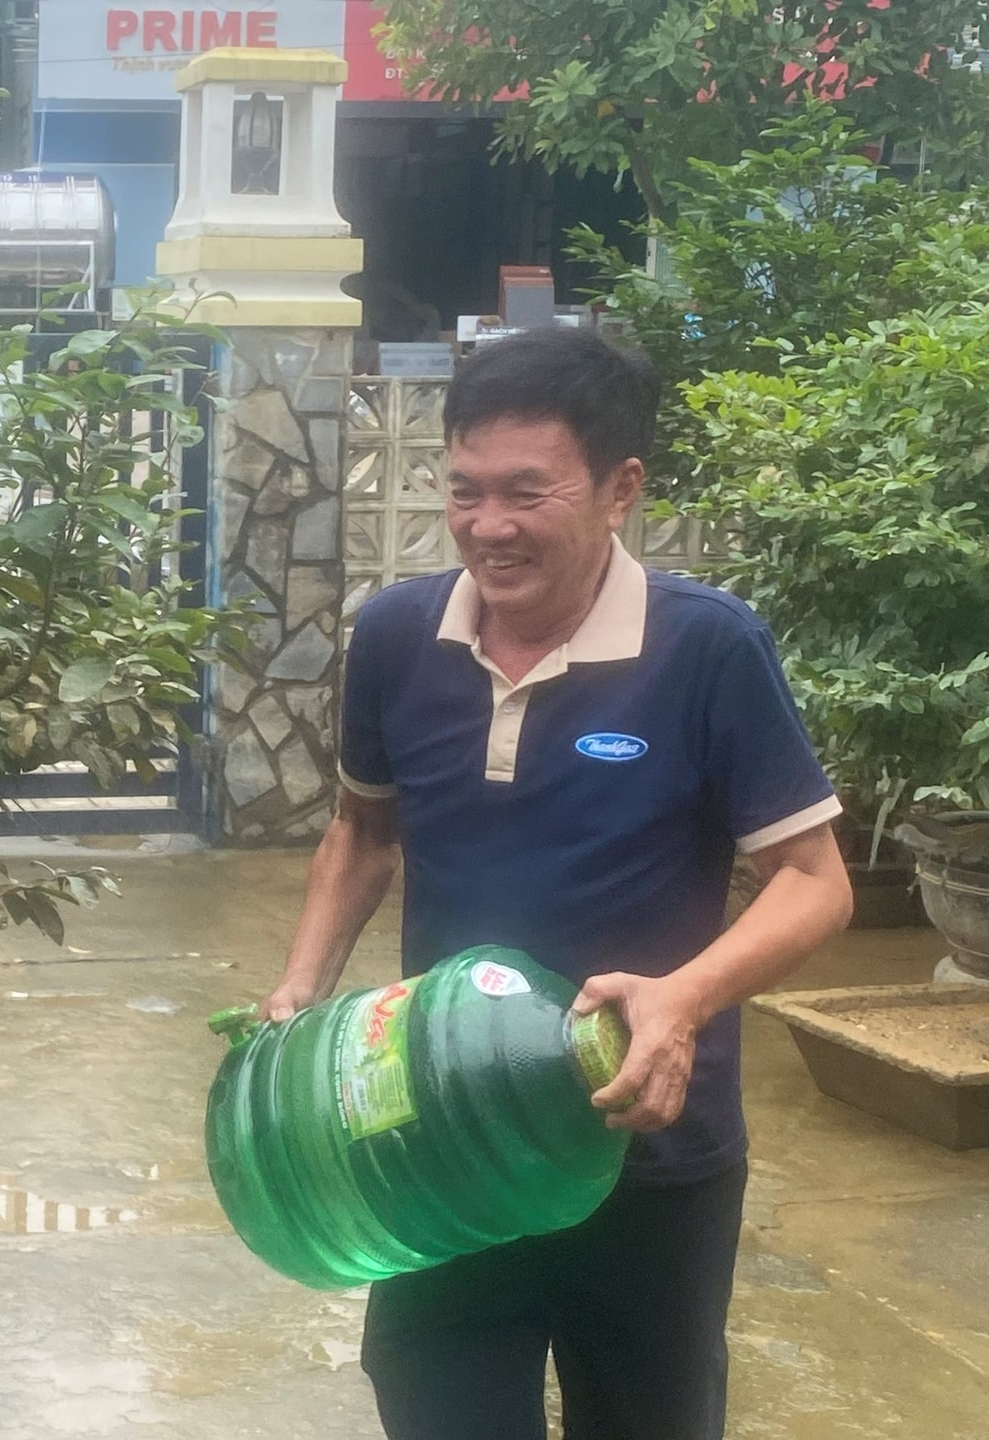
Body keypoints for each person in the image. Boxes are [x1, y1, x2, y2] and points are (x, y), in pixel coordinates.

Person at [259, 327, 854, 1440]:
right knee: (436, 1404)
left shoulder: (709, 648)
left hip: (645, 1145)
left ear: (621, 487)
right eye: (465, 491)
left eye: (527, 494)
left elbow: (814, 881)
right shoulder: (395, 635)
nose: (490, 528)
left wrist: (683, 998)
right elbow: (360, 831)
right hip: (437, 1131)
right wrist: (302, 985)